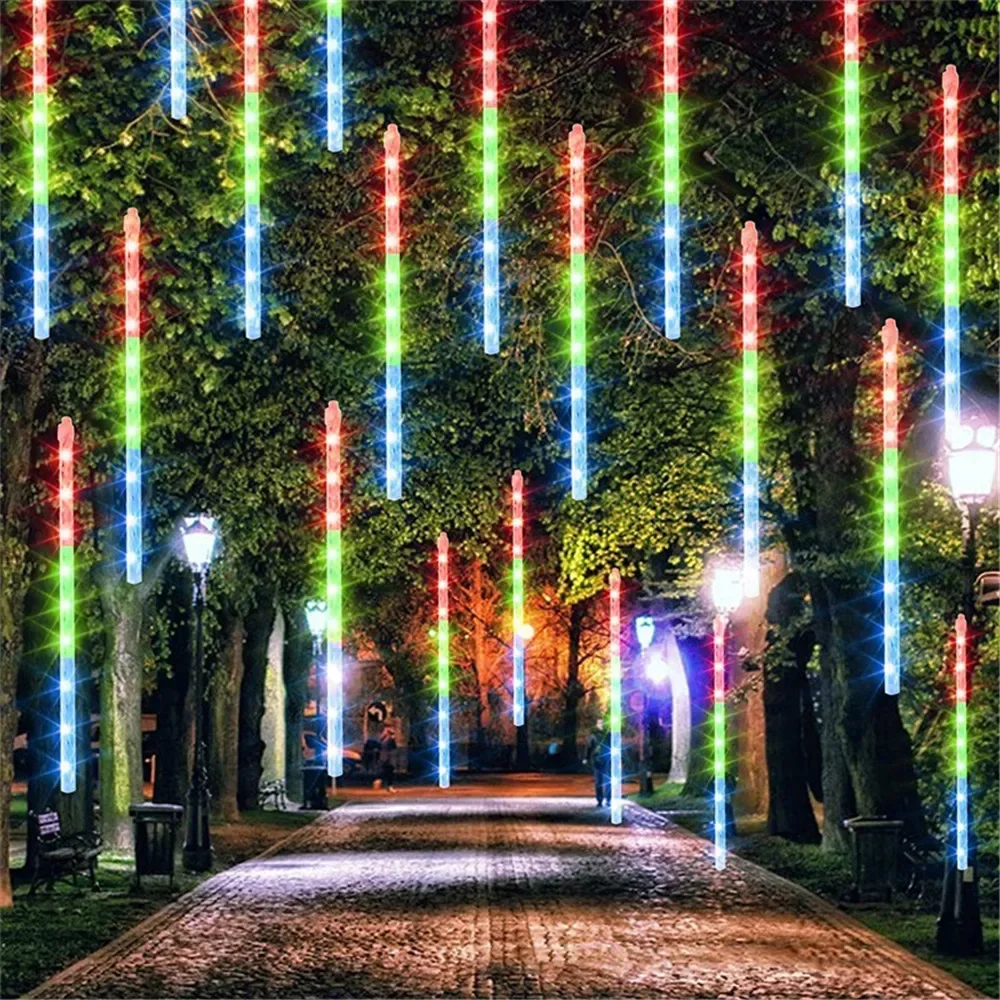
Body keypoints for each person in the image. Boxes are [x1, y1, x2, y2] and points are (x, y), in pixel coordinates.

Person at [584, 719, 611, 807]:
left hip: (606, 759)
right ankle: (600, 800)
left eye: (602, 723)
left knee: (607, 780)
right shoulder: (593, 735)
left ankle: (608, 799)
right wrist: (586, 757)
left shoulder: (608, 734)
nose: (601, 725)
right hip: (597, 760)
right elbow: (589, 747)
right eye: (599, 723)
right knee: (599, 781)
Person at [379, 727, 398, 793]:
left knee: (389, 772)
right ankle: (388, 786)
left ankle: (389, 786)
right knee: (387, 772)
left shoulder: (389, 740)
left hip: (389, 759)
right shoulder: (384, 740)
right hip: (386, 758)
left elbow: (394, 748)